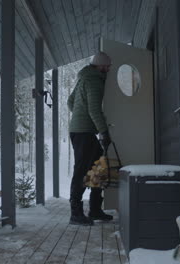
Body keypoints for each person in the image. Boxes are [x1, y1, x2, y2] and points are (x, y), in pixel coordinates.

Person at [67, 52, 114, 226]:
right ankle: (76, 214)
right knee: (81, 170)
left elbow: (70, 101)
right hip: (83, 132)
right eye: (107, 66)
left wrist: (79, 114)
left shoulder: (84, 78)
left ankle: (95, 209)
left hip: (82, 130)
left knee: (98, 167)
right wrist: (104, 132)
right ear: (100, 66)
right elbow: (95, 109)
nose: (109, 69)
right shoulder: (94, 81)